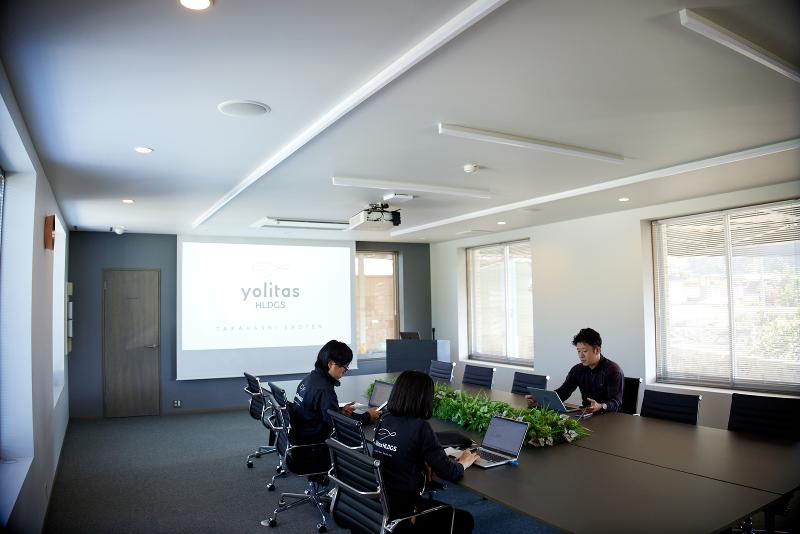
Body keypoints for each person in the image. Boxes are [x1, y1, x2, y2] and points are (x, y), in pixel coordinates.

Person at [372, 370, 479, 534]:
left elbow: (401, 451)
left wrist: (421, 462)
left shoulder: (384, 419)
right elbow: (450, 473)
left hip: (380, 505)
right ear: (424, 399)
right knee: (465, 520)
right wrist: (463, 462)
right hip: (405, 514)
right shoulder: (420, 428)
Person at [290, 340, 380, 446]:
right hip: (315, 445)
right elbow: (338, 424)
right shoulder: (324, 390)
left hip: (301, 437)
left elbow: (319, 412)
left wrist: (339, 411)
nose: (345, 372)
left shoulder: (309, 379)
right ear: (331, 364)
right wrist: (368, 416)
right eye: (345, 367)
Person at [527, 328, 624, 414]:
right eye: (578, 351)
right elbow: (563, 392)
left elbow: (616, 402)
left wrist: (600, 406)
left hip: (609, 417)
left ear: (597, 350)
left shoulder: (613, 370)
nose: (581, 355)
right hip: (586, 415)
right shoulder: (577, 370)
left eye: (585, 351)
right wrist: (540, 400)